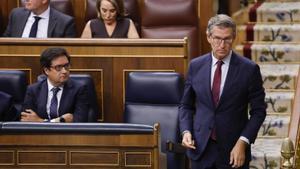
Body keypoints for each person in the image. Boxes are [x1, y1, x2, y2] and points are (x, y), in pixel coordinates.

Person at [179, 14, 266, 169]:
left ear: (234, 38)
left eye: (227, 39)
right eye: (217, 38)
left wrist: (243, 142)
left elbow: (259, 111)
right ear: (209, 37)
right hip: (200, 149)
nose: (222, 44)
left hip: (234, 152)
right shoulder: (195, 66)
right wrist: (186, 131)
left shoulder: (249, 70)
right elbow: (185, 105)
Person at [21, 47, 88, 123]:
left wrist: (40, 121)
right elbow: (26, 119)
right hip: (39, 134)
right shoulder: (33, 90)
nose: (64, 71)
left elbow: (80, 121)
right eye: (58, 67)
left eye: (66, 66)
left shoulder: (79, 89)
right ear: (46, 70)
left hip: (68, 134)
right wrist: (59, 120)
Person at [3, 0, 77, 38]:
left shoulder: (65, 22)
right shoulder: (16, 15)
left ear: (44, 0)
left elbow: (67, 51)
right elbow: (5, 41)